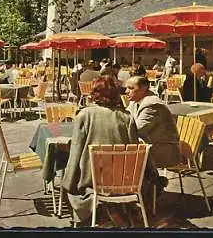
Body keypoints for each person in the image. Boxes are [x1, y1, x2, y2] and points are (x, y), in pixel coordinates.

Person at [60, 76, 163, 227]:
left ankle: (100, 212)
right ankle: (115, 210)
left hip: (94, 181)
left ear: (94, 94)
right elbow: (133, 149)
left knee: (70, 186)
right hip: (124, 182)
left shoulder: (84, 115)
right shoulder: (127, 117)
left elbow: (75, 154)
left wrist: (68, 182)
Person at [125, 76, 181, 168]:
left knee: (123, 160)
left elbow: (136, 130)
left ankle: (153, 181)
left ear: (144, 88)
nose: (126, 91)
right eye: (127, 88)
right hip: (151, 147)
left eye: (131, 88)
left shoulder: (152, 105)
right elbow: (126, 120)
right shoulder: (135, 101)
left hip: (165, 151)